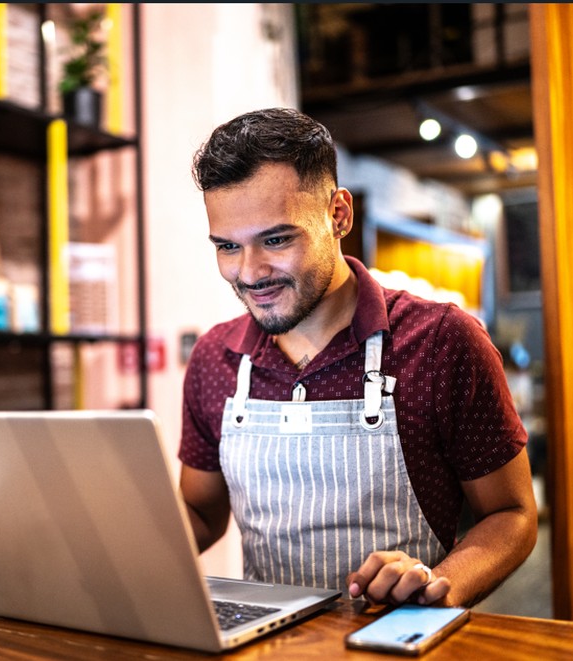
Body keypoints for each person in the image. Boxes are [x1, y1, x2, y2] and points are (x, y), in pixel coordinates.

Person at [177, 107, 538, 608]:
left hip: (402, 640)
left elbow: (512, 515)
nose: (251, 272)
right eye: (227, 247)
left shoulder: (441, 343)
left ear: (338, 215)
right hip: (266, 646)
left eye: (276, 239)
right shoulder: (215, 359)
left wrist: (439, 584)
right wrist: (120, 538)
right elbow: (200, 512)